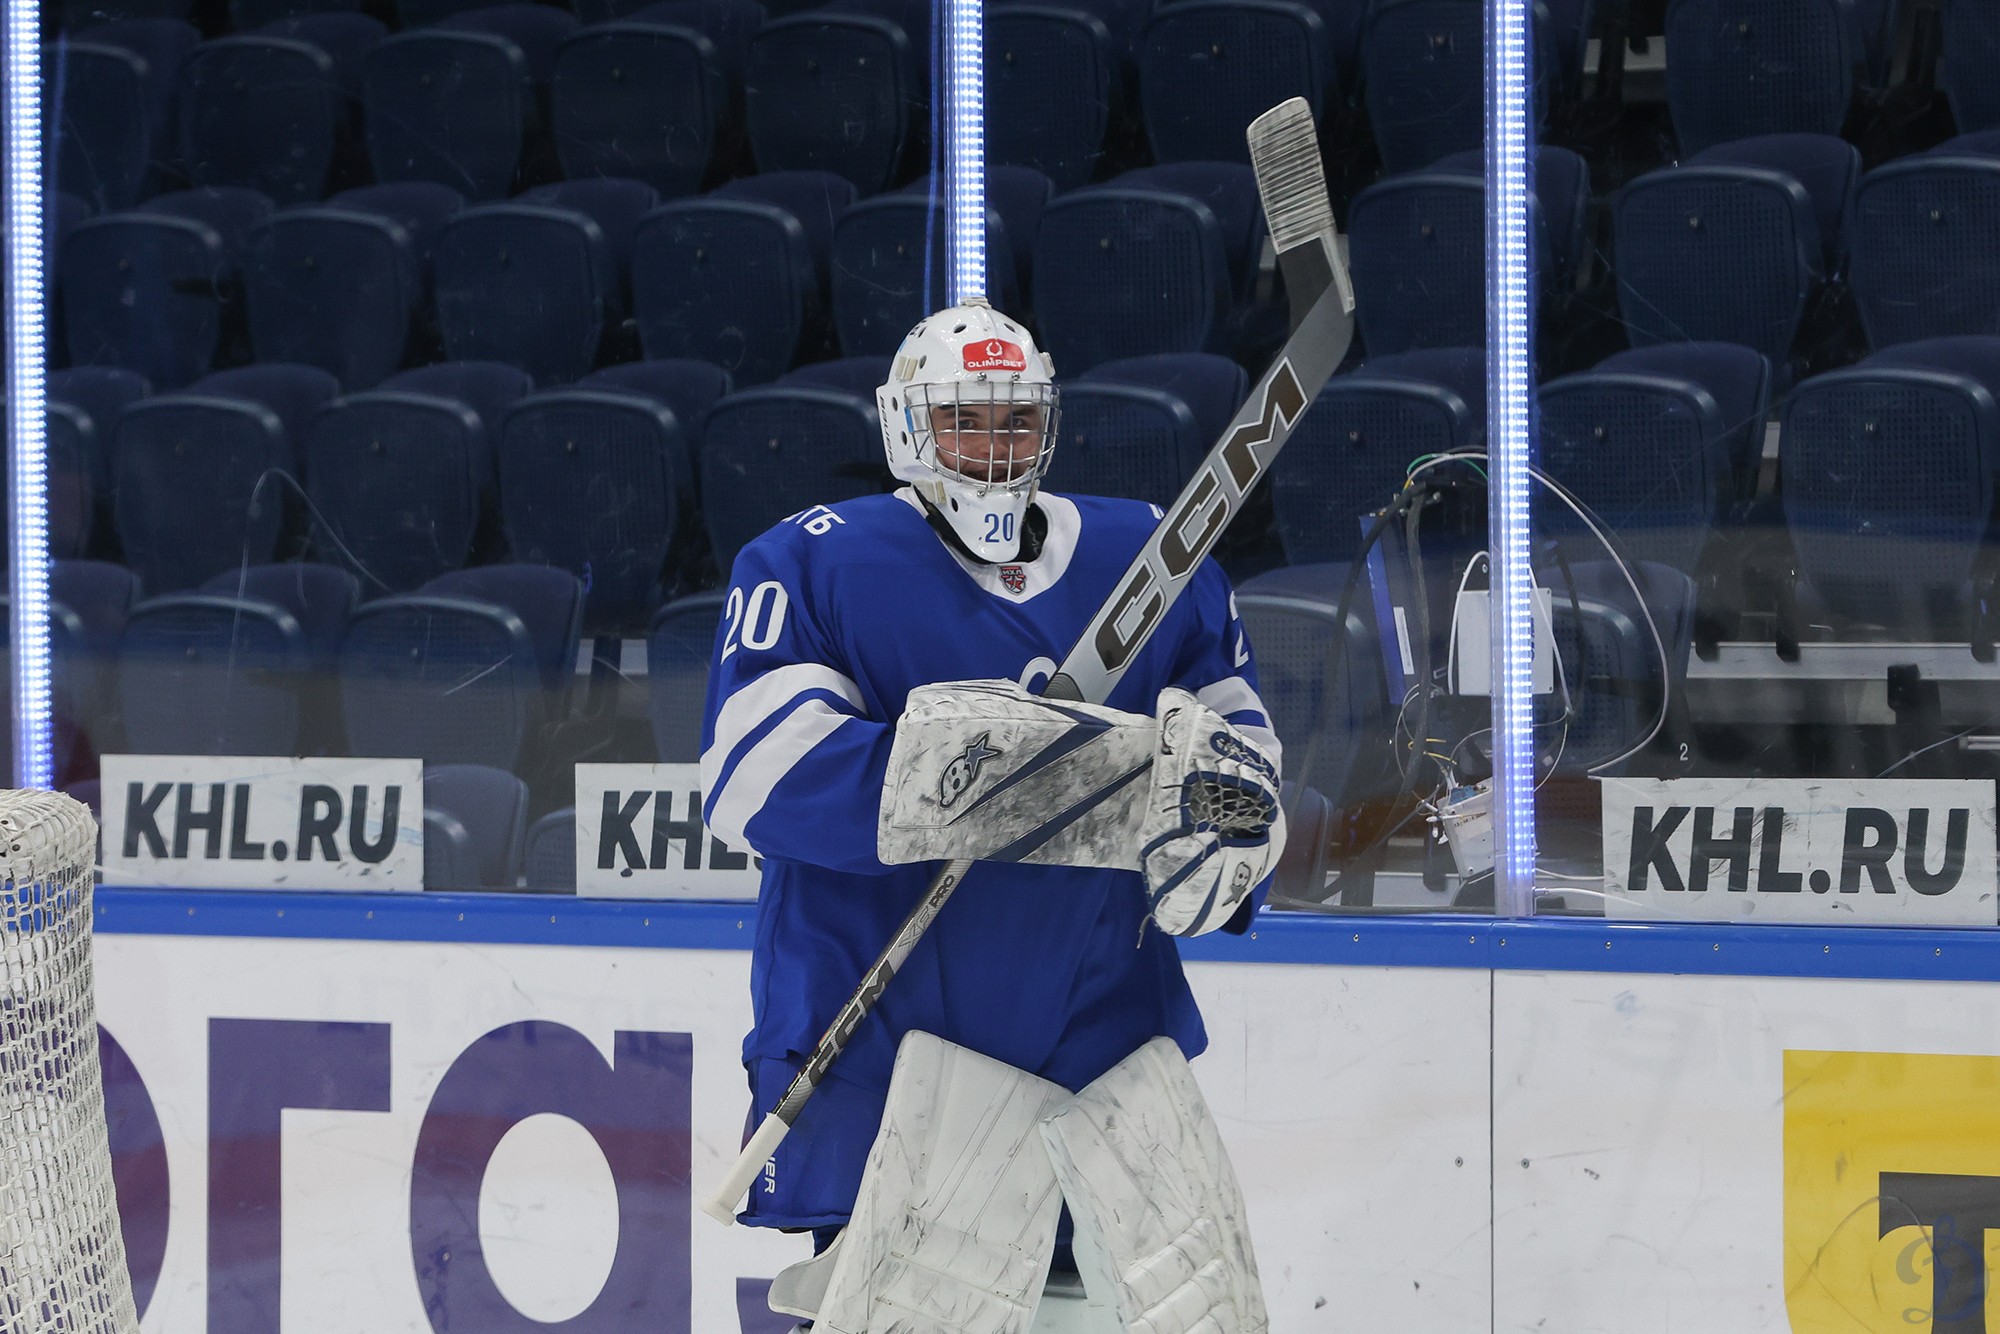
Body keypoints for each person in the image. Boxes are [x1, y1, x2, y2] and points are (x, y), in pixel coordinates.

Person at [700, 300, 1284, 1332]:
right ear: (907, 425)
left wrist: (1229, 838)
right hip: (893, 1055)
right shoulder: (810, 561)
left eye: (1016, 420)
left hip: (1106, 1052)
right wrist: (993, 774)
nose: (994, 445)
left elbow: (1241, 760)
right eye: (964, 419)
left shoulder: (1150, 555)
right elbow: (756, 778)